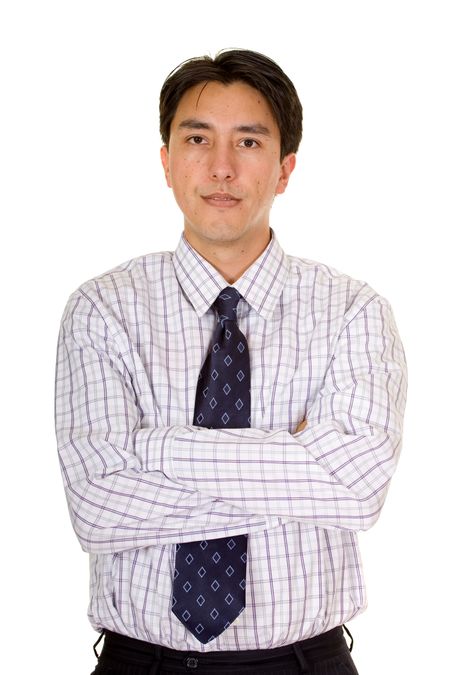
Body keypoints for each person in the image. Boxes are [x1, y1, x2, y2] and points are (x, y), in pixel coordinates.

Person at [55, 49, 407, 675]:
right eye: (197, 139)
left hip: (304, 663)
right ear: (166, 162)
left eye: (248, 141)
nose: (221, 168)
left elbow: (358, 490)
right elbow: (97, 507)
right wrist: (298, 467)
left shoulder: (353, 312)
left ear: (284, 169)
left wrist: (155, 447)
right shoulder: (101, 310)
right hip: (142, 664)